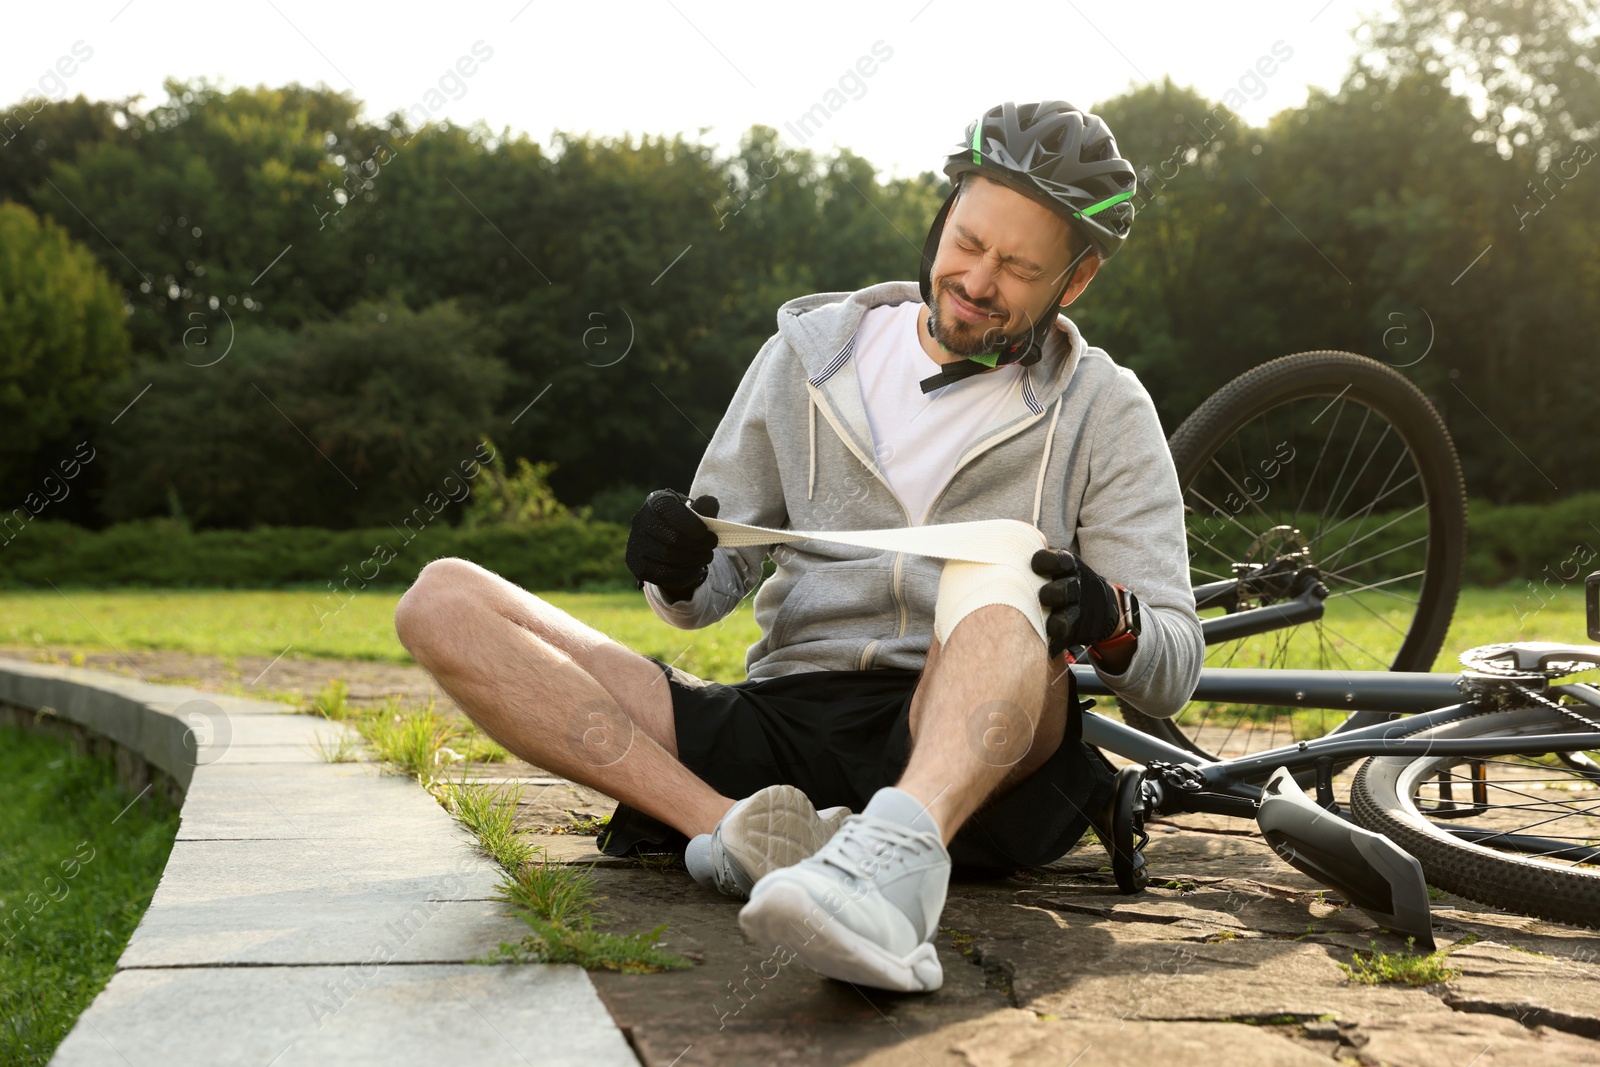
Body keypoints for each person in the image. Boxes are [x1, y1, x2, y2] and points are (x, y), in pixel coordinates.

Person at [394, 100, 1203, 994]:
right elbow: (705, 592)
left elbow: (1170, 665)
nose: (977, 278)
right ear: (943, 215)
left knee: (1004, 563)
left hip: (975, 731)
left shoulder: (1106, 408)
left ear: (1074, 281)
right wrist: (678, 562)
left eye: (1018, 267)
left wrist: (1109, 619)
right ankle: (742, 834)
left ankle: (894, 864)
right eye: (968, 241)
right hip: (785, 722)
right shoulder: (807, 356)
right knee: (441, 598)